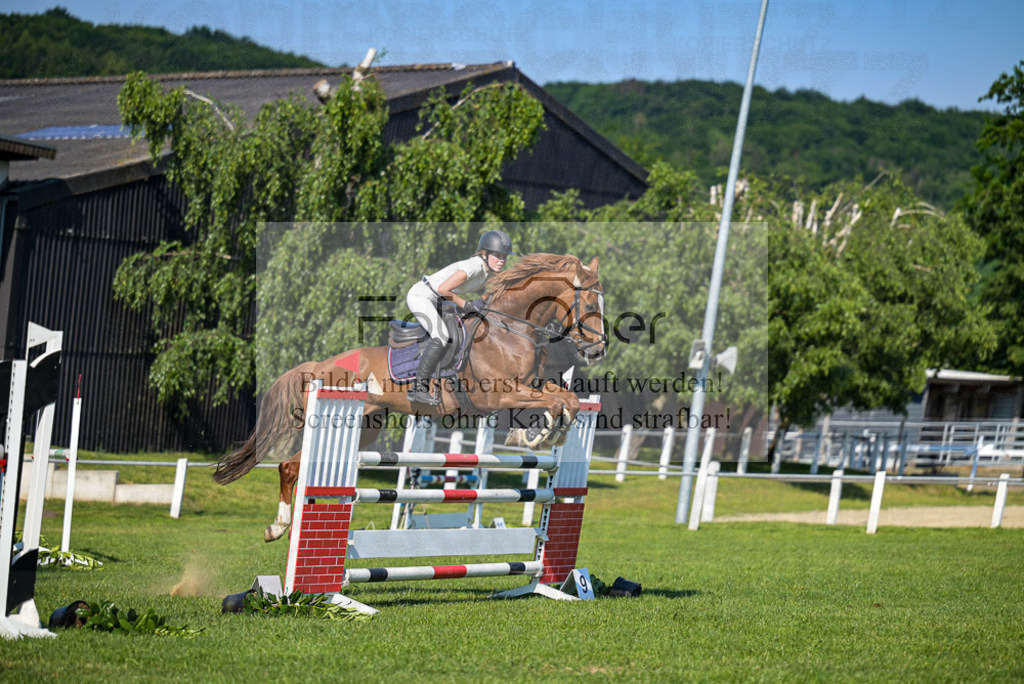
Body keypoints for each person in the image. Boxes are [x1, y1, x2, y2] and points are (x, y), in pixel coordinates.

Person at [405, 229, 513, 405]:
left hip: (440, 301)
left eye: (505, 256)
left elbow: (484, 293)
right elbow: (443, 289)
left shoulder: (488, 272)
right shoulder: (472, 267)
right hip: (422, 296)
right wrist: (467, 305)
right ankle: (418, 388)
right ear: (484, 254)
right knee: (441, 337)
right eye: (498, 255)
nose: (502, 260)